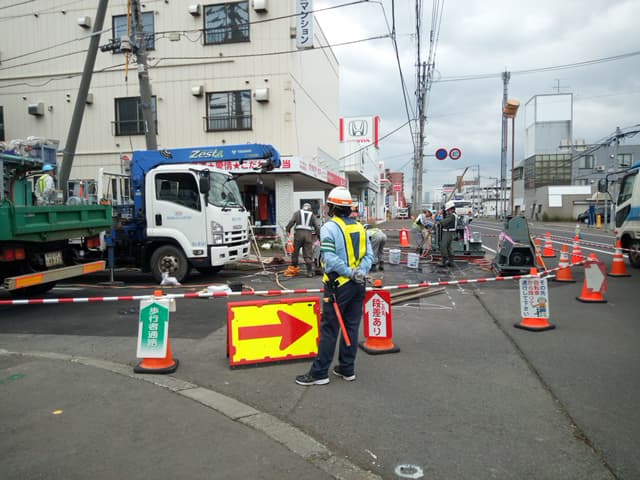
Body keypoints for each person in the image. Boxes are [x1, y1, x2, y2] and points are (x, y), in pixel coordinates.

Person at [296, 186, 374, 386]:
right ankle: (347, 369)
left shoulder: (329, 228)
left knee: (330, 329)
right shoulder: (360, 227)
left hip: (338, 286)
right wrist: (359, 272)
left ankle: (319, 373)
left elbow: (330, 260)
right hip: (358, 284)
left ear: (332, 207)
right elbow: (369, 256)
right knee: (351, 327)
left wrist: (349, 272)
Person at [284, 203, 321, 277]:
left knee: (295, 253)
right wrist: (319, 236)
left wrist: (287, 229)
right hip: (308, 236)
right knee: (307, 254)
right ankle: (309, 272)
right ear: (310, 209)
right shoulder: (312, 215)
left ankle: (293, 270)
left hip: (298, 235)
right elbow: (317, 227)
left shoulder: (297, 213)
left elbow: (291, 222)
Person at [438, 201, 458, 267]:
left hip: (448, 232)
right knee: (448, 247)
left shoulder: (452, 216)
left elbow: (444, 223)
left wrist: (440, 219)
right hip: (448, 232)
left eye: (448, 210)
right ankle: (450, 261)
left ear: (451, 209)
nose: (447, 211)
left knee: (443, 246)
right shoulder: (451, 215)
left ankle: (444, 261)